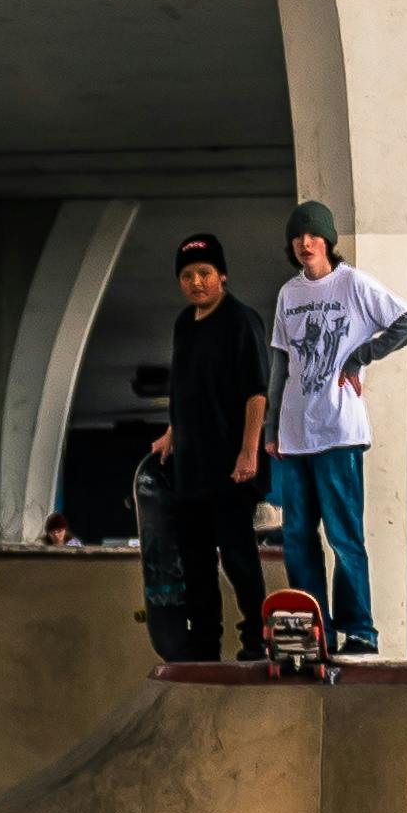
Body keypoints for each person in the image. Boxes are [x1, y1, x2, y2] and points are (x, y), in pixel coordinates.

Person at [264, 197, 407, 656]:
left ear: (328, 240)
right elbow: (280, 361)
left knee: (342, 533)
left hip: (338, 431)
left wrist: (360, 355)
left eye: (313, 235)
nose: (304, 243)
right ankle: (315, 628)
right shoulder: (288, 294)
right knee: (296, 536)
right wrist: (271, 427)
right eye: (297, 237)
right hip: (295, 434)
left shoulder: (352, 284)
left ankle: (360, 631)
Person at [146, 231, 272, 660]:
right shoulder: (184, 324)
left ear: (223, 275)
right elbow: (185, 388)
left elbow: (257, 392)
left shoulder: (242, 321)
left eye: (204, 273)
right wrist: (172, 430)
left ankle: (256, 639)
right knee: (196, 562)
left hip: (232, 467)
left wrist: (248, 450)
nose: (196, 282)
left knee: (238, 558)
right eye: (187, 275)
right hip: (192, 468)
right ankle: (204, 643)